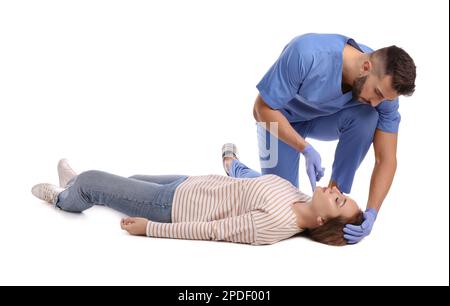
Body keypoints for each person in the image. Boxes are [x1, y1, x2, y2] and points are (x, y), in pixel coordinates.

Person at [251, 33, 416, 243]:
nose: (377, 102)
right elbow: (260, 110)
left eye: (383, 98)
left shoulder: (383, 95)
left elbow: (386, 159)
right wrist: (305, 148)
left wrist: (373, 211)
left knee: (368, 116)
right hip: (276, 121)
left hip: (320, 120)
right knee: (277, 198)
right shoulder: (306, 53)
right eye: (376, 92)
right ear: (366, 66)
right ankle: (237, 167)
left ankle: (334, 197)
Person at [31, 149, 363, 246]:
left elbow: (214, 231)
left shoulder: (275, 225)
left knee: (93, 181)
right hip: (186, 184)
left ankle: (64, 197)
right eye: (341, 194)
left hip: (168, 207)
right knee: (126, 182)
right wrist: (231, 159)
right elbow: (250, 181)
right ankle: (77, 187)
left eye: (338, 201)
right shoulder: (298, 194)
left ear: (321, 222)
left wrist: (150, 228)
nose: (336, 190)